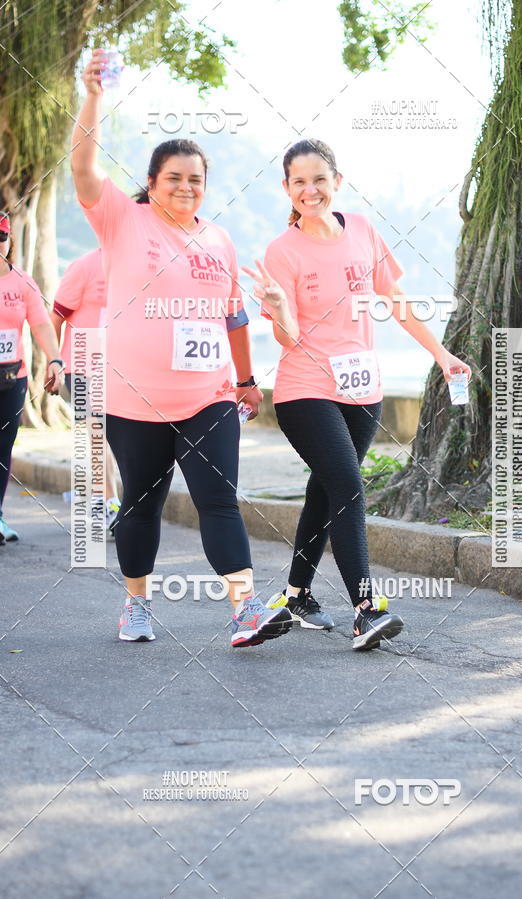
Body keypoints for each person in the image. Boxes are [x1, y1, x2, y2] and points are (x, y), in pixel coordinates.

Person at [70, 48, 292, 646]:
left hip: (207, 397)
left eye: (196, 179)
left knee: (219, 501)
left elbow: (230, 315)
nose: (187, 187)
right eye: (175, 178)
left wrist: (246, 380)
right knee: (142, 507)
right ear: (151, 183)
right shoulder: (122, 221)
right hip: (133, 400)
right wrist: (93, 94)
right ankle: (137, 604)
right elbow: (84, 168)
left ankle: (244, 610)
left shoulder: (219, 239)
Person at [244, 139, 471, 651]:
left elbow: (396, 301)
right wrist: (279, 307)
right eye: (299, 181)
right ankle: (365, 610)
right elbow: (288, 337)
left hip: (362, 390)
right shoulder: (282, 251)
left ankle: (297, 595)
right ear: (287, 189)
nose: (310, 189)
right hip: (305, 390)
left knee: (325, 491)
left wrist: (442, 354)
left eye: (319, 179)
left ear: (337, 182)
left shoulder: (363, 231)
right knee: (347, 484)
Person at [0, 212, 65, 544]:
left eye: (1, 238)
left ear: (10, 242)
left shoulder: (22, 282)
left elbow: (40, 324)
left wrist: (54, 359)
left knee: (3, 445)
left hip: (12, 378)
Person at [50, 247, 121, 532]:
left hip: (122, 368)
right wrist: (52, 364)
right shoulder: (83, 266)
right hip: (81, 366)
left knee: (113, 438)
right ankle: (109, 502)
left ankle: (101, 500)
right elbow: (54, 318)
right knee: (96, 435)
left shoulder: (138, 264)